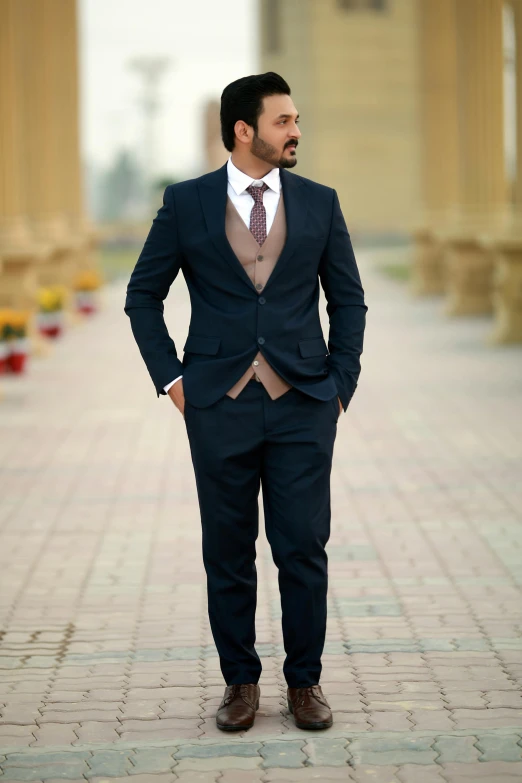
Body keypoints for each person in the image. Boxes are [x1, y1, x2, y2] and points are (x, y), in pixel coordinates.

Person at [125, 72, 367, 731]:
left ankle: (305, 683)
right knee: (227, 549)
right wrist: (173, 381)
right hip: (217, 404)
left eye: (295, 119)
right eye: (284, 120)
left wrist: (339, 386)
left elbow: (348, 298)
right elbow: (141, 294)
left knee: (302, 546)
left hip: (303, 403)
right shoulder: (187, 203)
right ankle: (240, 683)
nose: (296, 130)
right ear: (244, 130)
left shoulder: (319, 202)